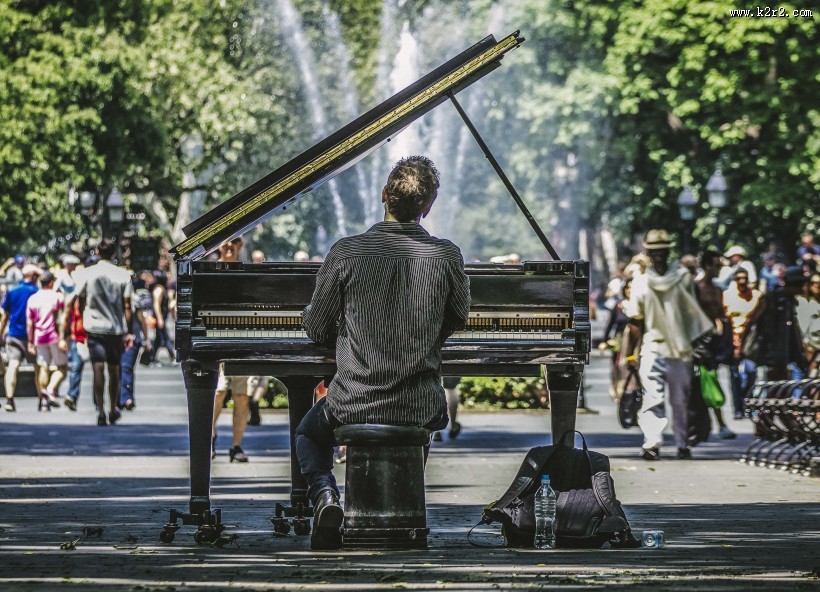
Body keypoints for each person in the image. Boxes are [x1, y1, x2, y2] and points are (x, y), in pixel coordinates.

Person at [295, 155, 470, 550]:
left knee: (308, 432)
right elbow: (459, 317)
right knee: (422, 420)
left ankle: (324, 496)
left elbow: (317, 326)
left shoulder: (346, 252)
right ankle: (403, 509)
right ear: (428, 207)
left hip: (353, 400)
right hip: (419, 402)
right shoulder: (446, 256)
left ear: (383, 196)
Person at [622, 229, 713, 461]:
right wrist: (630, 354)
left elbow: (694, 313)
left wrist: (698, 345)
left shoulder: (682, 277)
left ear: (668, 251)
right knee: (652, 397)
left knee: (680, 401)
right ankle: (652, 442)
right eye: (655, 252)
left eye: (663, 251)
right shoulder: (641, 282)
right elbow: (636, 321)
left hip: (681, 348)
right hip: (653, 346)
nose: (659, 256)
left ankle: (682, 442)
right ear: (648, 252)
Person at [211, 236, 265, 462]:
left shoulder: (246, 273)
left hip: (241, 340)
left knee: (242, 396)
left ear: (241, 245)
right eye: (225, 242)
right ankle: (210, 437)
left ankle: (236, 446)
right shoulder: (211, 272)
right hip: (217, 342)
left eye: (235, 242)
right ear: (219, 246)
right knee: (218, 393)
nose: (230, 246)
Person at [71, 239, 134, 426]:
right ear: (114, 254)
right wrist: (129, 330)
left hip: (94, 326)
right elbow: (128, 305)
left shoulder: (88, 273)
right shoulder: (123, 275)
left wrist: (82, 319)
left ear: (98, 252)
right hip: (115, 328)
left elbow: (80, 299)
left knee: (97, 367)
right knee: (114, 369)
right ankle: (113, 407)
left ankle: (100, 409)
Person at [693, 250, 734, 439]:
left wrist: (719, 327)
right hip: (697, 342)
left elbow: (718, 314)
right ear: (707, 265)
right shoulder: (696, 287)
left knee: (710, 381)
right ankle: (708, 424)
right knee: (701, 383)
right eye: (717, 265)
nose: (719, 269)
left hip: (713, 343)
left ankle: (716, 424)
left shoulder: (717, 289)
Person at [752, 266, 808, 381]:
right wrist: (771, 360)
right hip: (772, 359)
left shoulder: (789, 301)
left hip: (783, 359)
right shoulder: (773, 299)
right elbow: (765, 330)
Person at [0, 264, 41, 411]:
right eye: (37, 276)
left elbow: (5, 316)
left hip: (14, 334)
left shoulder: (12, 291)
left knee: (13, 365)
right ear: (32, 276)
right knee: (39, 367)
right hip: (33, 337)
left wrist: (0, 332)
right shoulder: (37, 292)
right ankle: (43, 400)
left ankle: (9, 400)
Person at [723, 268, 763, 418]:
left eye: (744, 278)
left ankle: (748, 405)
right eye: (739, 278)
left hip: (750, 341)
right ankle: (737, 408)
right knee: (734, 376)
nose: (742, 281)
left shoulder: (756, 296)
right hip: (732, 340)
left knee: (751, 373)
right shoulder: (727, 296)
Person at [26, 271, 67, 411]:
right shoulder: (57, 297)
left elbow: (30, 323)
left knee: (43, 366)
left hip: (39, 337)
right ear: (51, 283)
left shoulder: (33, 298)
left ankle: (44, 402)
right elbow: (61, 319)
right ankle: (49, 390)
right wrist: (62, 338)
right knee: (62, 368)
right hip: (54, 336)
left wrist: (30, 342)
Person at [119, 283, 153, 411]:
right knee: (119, 368)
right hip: (118, 337)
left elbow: (142, 321)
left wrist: (146, 339)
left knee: (126, 368)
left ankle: (126, 398)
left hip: (133, 339)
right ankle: (120, 399)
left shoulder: (134, 301)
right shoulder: (114, 298)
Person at [598, 277, 633, 400]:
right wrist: (604, 341)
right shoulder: (619, 306)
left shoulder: (639, 306)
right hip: (620, 341)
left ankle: (631, 391)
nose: (630, 290)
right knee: (618, 366)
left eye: (632, 287)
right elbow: (610, 324)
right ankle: (619, 391)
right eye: (628, 287)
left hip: (635, 343)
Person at [796, 273, 820, 376]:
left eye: (819, 283)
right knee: (812, 374)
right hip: (809, 345)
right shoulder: (803, 301)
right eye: (814, 283)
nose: (817, 285)